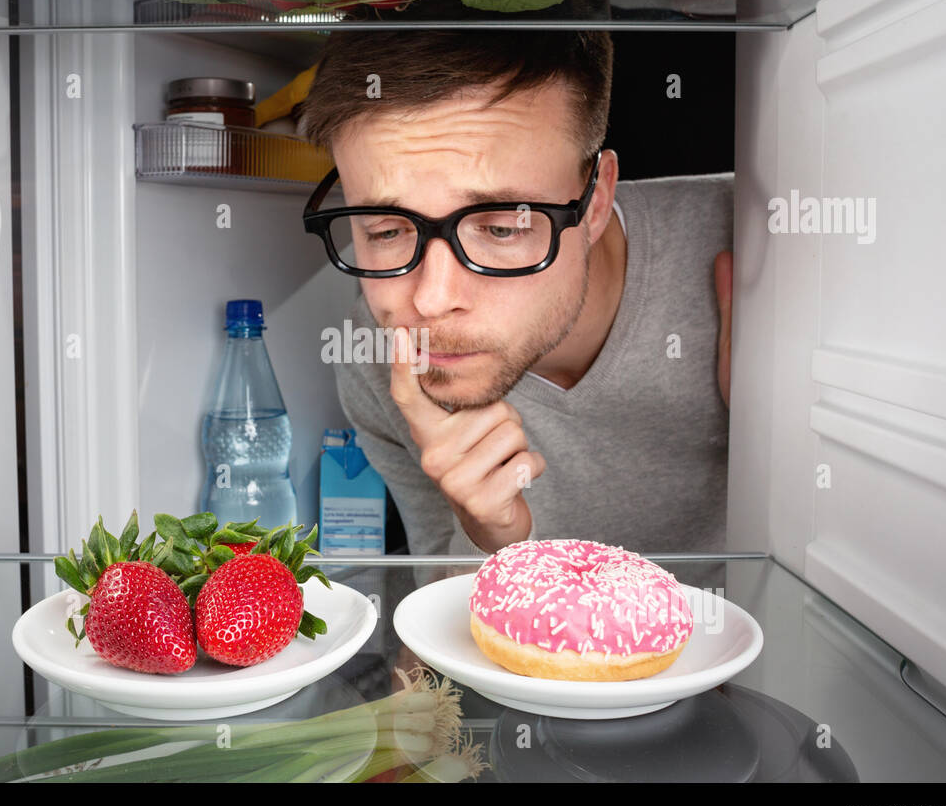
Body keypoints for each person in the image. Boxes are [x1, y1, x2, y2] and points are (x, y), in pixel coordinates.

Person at [299, 29, 733, 561]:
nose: (431, 301)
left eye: (502, 229)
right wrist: (492, 540)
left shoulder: (768, 247)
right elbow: (428, 635)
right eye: (386, 231)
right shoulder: (375, 359)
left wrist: (784, 436)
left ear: (595, 201)